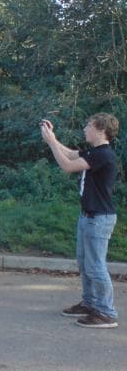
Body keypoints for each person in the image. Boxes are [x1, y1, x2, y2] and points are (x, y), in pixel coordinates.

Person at [39, 113, 120, 328]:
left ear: (101, 130)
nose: (85, 129)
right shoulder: (94, 152)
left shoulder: (103, 155)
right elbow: (69, 154)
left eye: (89, 125)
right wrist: (52, 138)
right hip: (88, 217)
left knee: (95, 266)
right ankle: (90, 304)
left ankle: (106, 312)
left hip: (99, 219)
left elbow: (67, 165)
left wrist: (51, 142)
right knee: (85, 264)